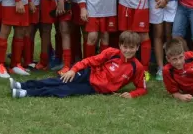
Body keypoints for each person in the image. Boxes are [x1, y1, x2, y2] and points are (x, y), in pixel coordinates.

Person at [9, 31, 146, 98]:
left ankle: (25, 93)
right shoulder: (112, 52)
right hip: (88, 74)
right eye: (125, 47)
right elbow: (89, 61)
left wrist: (132, 94)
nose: (128, 50)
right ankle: (22, 85)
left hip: (94, 88)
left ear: (137, 48)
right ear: (120, 46)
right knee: (59, 81)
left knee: (63, 91)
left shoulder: (137, 67)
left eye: (132, 47)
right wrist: (73, 70)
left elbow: (142, 88)